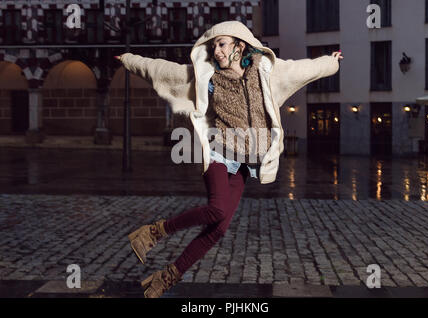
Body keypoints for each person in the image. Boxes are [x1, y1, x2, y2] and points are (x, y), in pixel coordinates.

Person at [115, 20, 343, 298]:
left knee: (218, 229)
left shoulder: (266, 72)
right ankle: (153, 232)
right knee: (218, 209)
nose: (217, 51)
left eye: (221, 44)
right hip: (219, 152)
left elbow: (305, 69)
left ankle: (166, 277)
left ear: (240, 45)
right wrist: (129, 59)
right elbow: (163, 71)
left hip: (245, 161)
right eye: (213, 47)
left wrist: (330, 63)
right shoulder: (207, 76)